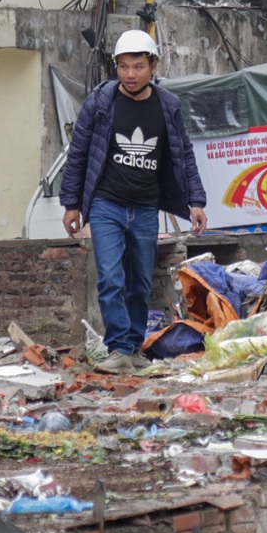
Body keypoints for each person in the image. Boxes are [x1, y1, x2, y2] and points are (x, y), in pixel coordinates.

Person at [60, 30, 208, 371]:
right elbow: (78, 153)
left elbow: (184, 155)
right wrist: (71, 204)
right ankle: (118, 349)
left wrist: (196, 201)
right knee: (111, 277)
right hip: (105, 205)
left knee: (139, 282)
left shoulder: (168, 106)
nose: (130, 74)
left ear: (154, 66)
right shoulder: (101, 102)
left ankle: (133, 350)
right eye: (123, 67)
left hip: (145, 208)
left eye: (138, 66)